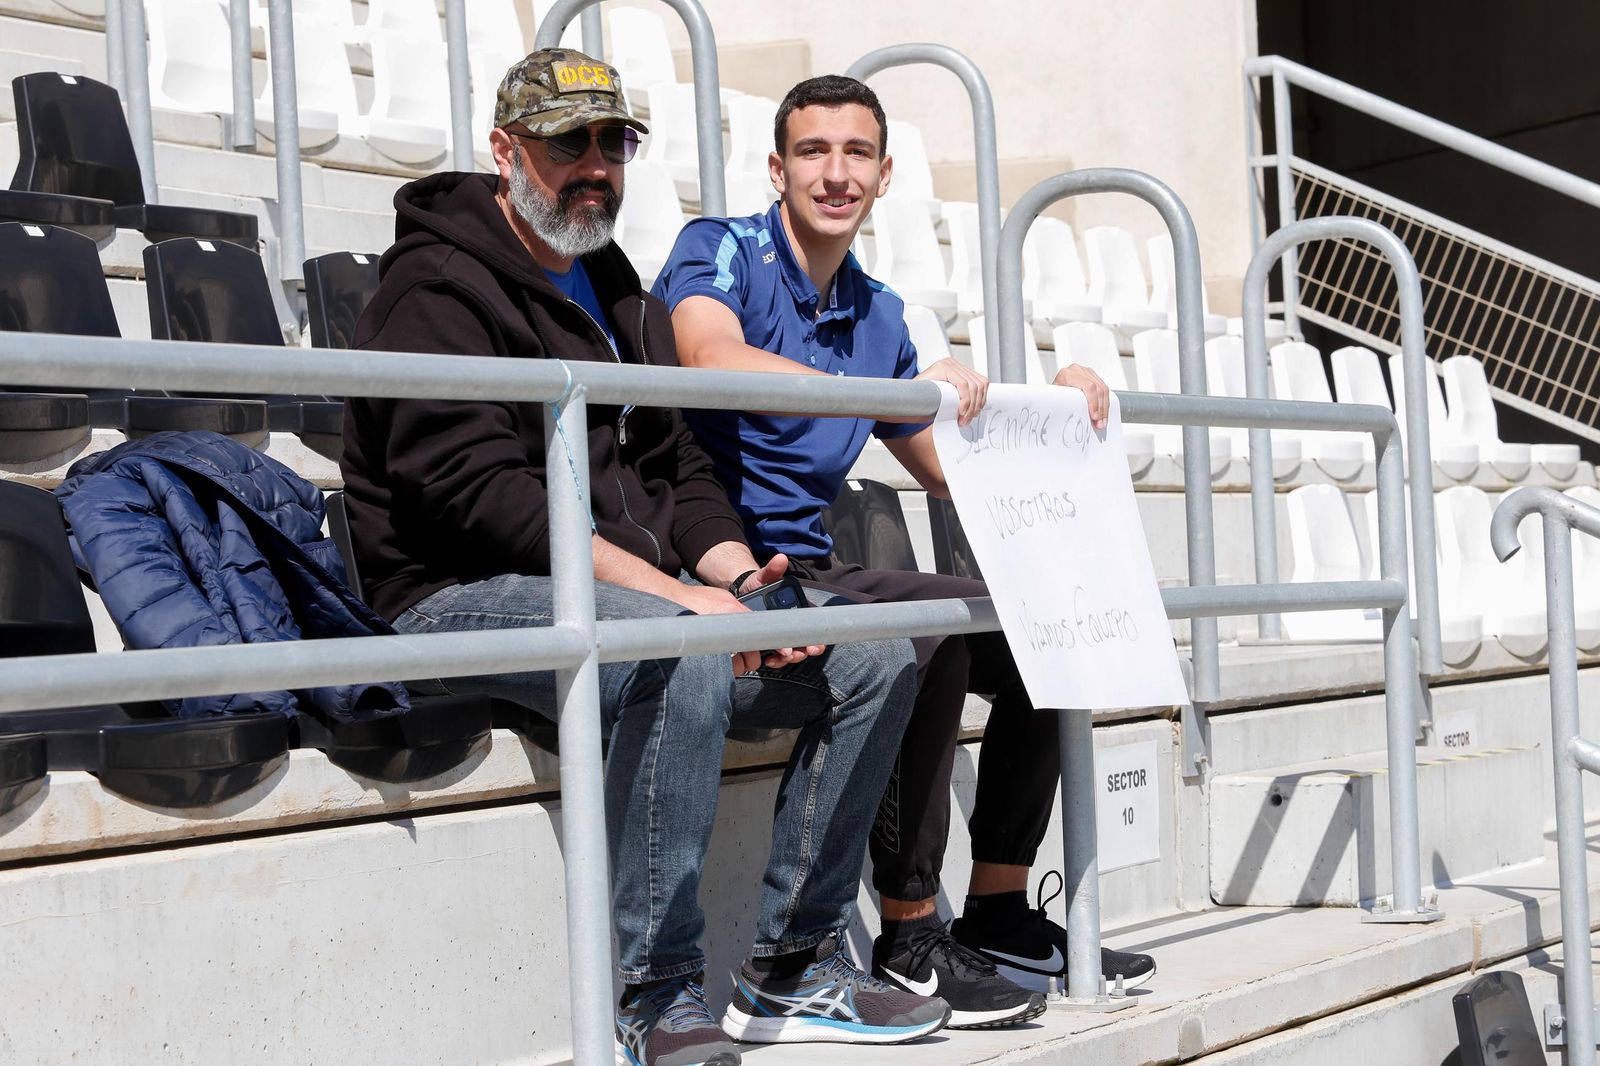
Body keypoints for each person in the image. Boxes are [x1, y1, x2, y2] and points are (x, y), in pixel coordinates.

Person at [339, 51, 949, 1066]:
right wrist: (679, 601)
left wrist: (729, 573)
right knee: (683, 650)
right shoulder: (432, 287)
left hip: (623, 590)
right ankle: (655, 996)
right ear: (505, 150)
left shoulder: (615, 285)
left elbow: (680, 463)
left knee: (869, 649)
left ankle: (792, 966)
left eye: (613, 143)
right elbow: (485, 503)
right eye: (565, 142)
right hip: (449, 597)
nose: (593, 167)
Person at [652, 75, 1157, 1028]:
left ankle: (1001, 907)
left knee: (1037, 635)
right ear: (777, 166)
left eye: (855, 155)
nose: (834, 174)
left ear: (885, 177)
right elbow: (707, 358)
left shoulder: (879, 313)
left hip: (814, 567)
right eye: (813, 152)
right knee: (932, 633)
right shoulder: (720, 248)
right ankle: (910, 932)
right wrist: (884, 394)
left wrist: (1064, 404)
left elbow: (950, 468)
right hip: (721, 567)